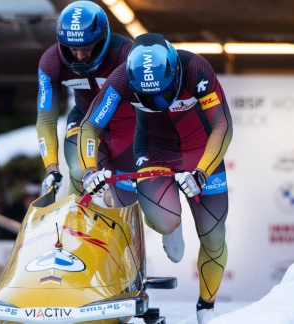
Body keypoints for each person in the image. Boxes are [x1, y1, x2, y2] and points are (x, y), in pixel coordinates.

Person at [78, 33, 233, 323]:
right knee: (164, 219)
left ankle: (206, 308)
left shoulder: (196, 69)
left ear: (174, 71)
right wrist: (89, 169)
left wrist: (202, 172)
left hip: (199, 152)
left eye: (163, 92)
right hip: (154, 151)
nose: (158, 102)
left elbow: (222, 125)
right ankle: (171, 224)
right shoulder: (122, 79)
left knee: (213, 236)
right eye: (149, 97)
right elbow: (89, 127)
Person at [36, 0, 137, 208]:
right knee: (77, 169)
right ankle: (77, 217)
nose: (80, 56)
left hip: (125, 124)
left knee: (133, 191)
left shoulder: (125, 55)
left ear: (102, 41)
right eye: (73, 49)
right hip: (83, 118)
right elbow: (46, 120)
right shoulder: (51, 63)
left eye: (88, 48)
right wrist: (51, 168)